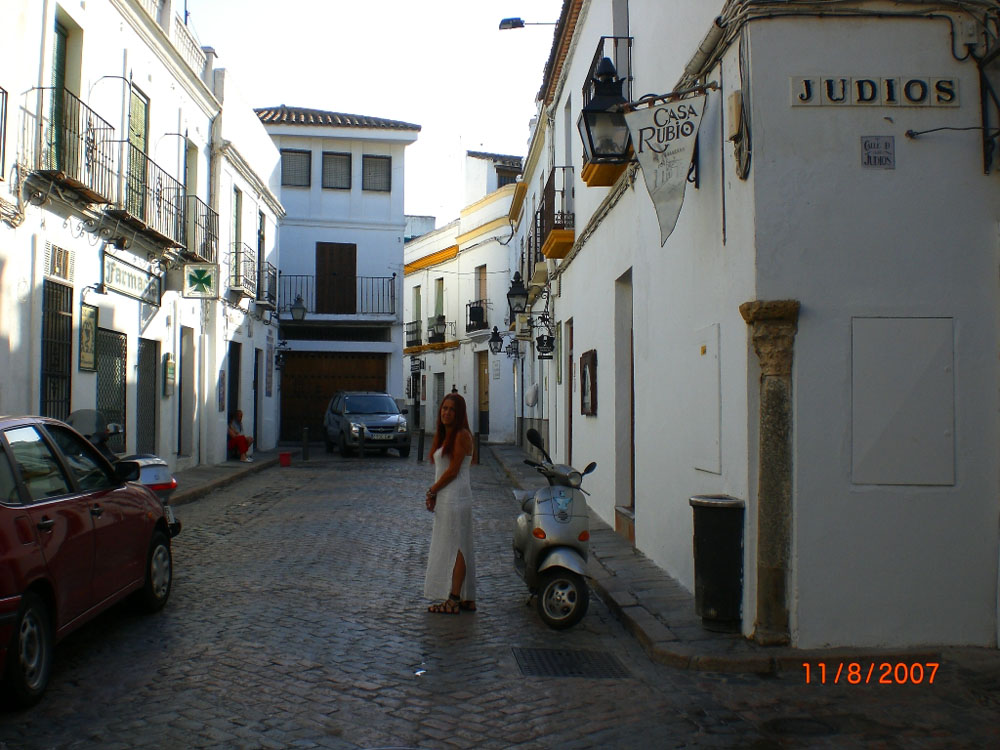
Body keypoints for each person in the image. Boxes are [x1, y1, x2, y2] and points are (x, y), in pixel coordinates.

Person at [424, 393, 476, 614]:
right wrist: (436, 493)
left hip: (455, 497)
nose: (446, 412)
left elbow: (453, 471)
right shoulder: (447, 435)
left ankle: (454, 599)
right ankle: (465, 597)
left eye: (451, 409)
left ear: (459, 413)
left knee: (458, 547)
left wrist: (432, 490)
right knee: (458, 545)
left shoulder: (461, 435)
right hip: (448, 496)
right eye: (444, 408)